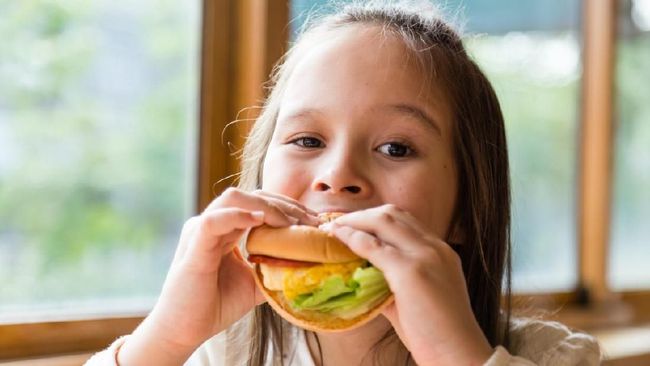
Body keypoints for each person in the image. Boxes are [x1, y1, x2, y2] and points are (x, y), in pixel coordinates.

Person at [86, 1, 601, 365]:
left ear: (466, 210)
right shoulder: (218, 353)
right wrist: (168, 337)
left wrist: (457, 357)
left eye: (396, 149)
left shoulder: (549, 358)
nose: (337, 177)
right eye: (307, 140)